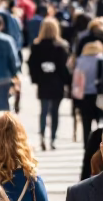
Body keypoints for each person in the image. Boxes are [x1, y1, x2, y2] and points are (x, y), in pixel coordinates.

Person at [28, 16, 71, 150]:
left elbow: (31, 64)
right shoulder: (62, 46)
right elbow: (65, 67)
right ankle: (52, 138)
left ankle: (42, 136)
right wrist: (67, 81)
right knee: (55, 112)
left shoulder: (36, 45)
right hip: (57, 82)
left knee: (43, 110)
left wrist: (36, 78)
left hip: (43, 81)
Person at [73, 38, 103, 145]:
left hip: (84, 95)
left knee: (86, 123)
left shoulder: (80, 61)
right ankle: (99, 144)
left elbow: (76, 79)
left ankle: (86, 145)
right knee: (101, 122)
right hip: (99, 96)